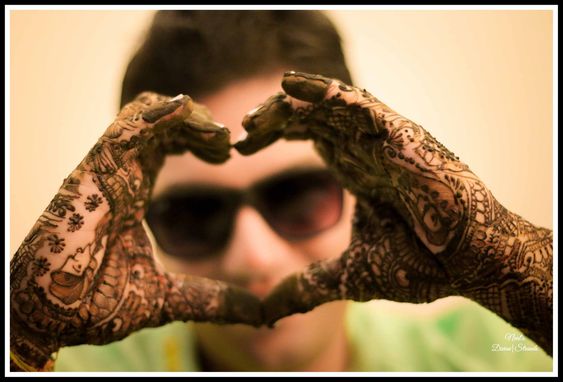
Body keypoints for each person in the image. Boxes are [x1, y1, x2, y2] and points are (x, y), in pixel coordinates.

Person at [10, 10, 552, 372]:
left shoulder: (497, 354)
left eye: (297, 196)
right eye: (192, 214)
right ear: (136, 223)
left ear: (364, 182)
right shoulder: (69, 364)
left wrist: (523, 276)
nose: (253, 259)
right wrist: (22, 343)